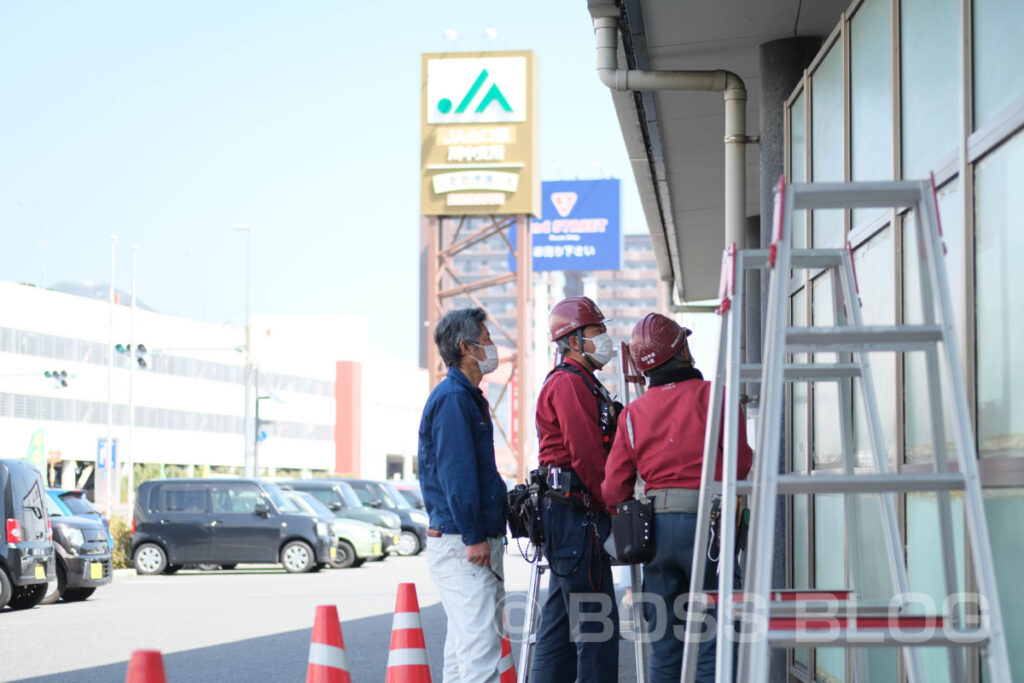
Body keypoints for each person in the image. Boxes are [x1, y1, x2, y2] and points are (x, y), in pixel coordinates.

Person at [603, 313, 753, 683]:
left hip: (655, 535)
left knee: (665, 643)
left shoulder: (633, 414)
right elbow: (740, 464)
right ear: (683, 349)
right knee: (712, 639)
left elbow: (613, 489)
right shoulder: (712, 396)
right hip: (707, 530)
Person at [530, 295, 620, 683]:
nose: (605, 339)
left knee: (559, 634)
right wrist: (614, 504)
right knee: (597, 632)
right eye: (597, 331)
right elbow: (586, 454)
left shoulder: (585, 382)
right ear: (574, 340)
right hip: (578, 516)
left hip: (569, 517)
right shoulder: (569, 384)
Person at [418, 307, 509, 683]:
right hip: (463, 543)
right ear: (465, 347)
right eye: (486, 340)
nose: (492, 347)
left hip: (462, 540)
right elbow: (457, 475)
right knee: (481, 650)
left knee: (464, 647)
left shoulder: (466, 397)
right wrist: (474, 536)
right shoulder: (454, 399)